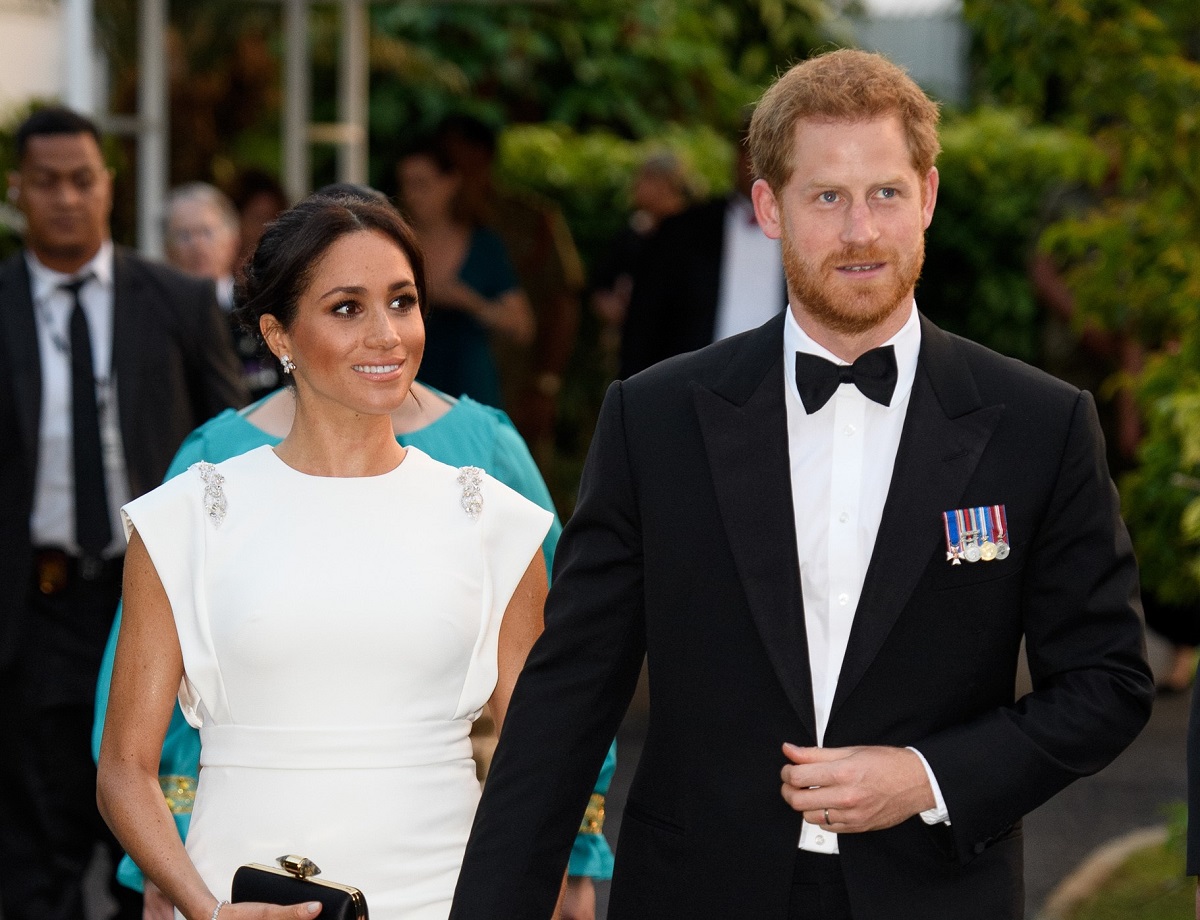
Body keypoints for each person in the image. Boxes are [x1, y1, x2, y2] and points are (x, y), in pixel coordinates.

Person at [449, 49, 1154, 920]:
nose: (861, 230)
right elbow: (566, 698)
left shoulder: (1040, 426)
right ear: (768, 208)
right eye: (826, 197)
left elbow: (1106, 684)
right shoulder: (656, 420)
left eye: (886, 193)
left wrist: (928, 777)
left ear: (928, 198)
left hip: (936, 894)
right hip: (696, 892)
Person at [97, 194, 555, 920]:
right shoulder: (186, 516)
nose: (387, 335)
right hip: (235, 897)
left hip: (444, 900)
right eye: (347, 308)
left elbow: (542, 764)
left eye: (403, 303)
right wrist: (203, 910)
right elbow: (124, 768)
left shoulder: (494, 522)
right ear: (279, 334)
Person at [0, 106, 247, 920]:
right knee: (36, 846)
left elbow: (232, 447)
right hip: (34, 610)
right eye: (46, 183)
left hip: (158, 599)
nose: (66, 198)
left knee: (158, 842)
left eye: (82, 179)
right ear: (17, 192)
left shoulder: (176, 302)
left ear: (109, 184)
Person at [436, 114, 584, 457]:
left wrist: (547, 383)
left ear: (485, 157)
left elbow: (563, 300)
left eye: (463, 159)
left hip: (517, 378)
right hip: (443, 381)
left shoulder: (531, 218)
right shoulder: (423, 222)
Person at [618, 117, 787, 379]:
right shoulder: (682, 230)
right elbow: (644, 322)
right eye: (751, 153)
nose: (758, 166)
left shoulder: (808, 230)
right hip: (694, 388)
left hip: (785, 391)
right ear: (737, 156)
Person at [397, 141, 534, 409]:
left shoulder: (483, 245)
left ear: (450, 183)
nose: (412, 195)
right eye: (406, 184)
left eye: (422, 184)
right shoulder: (395, 245)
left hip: (469, 386)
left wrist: (469, 302)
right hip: (410, 388)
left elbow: (522, 327)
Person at [165, 181, 281, 400]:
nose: (197, 245)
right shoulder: (158, 317)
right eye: (184, 235)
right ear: (167, 249)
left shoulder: (260, 308)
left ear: (232, 240)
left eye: (206, 232)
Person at [589, 152, 694, 360]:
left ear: (664, 184)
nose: (636, 186)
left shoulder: (692, 233)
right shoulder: (634, 231)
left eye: (644, 178)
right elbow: (599, 282)